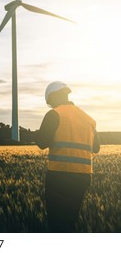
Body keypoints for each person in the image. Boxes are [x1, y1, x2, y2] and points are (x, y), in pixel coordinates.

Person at [36, 81, 100, 232]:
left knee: (56, 222)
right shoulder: (89, 119)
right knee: (71, 220)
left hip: (60, 175)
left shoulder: (55, 114)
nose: (51, 105)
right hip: (83, 176)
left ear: (52, 97)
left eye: (50, 102)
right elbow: (96, 148)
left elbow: (41, 143)